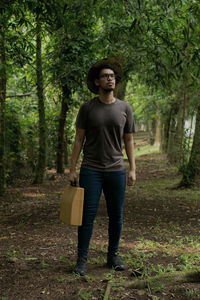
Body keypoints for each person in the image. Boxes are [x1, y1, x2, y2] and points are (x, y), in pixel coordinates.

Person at [69, 57, 136, 276]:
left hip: (116, 169)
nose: (110, 79)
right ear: (97, 82)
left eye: (113, 76)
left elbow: (128, 141)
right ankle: (82, 260)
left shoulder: (125, 108)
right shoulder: (87, 108)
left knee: (116, 214)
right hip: (91, 169)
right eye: (106, 76)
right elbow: (78, 140)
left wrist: (132, 168)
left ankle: (113, 255)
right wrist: (72, 169)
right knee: (87, 215)